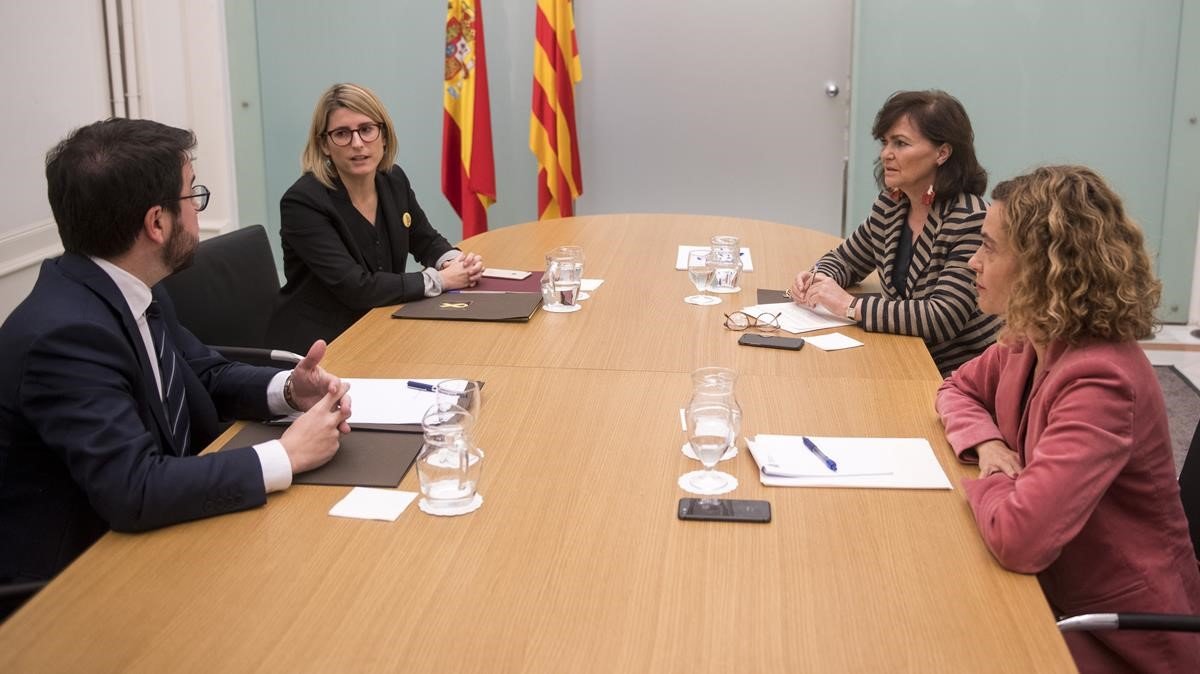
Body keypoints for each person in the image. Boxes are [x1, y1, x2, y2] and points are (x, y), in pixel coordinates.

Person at [0, 118, 353, 597]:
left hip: (167, 529)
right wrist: (287, 453)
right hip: (77, 583)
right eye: (193, 196)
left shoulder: (128, 283)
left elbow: (200, 372)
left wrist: (289, 389)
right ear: (157, 222)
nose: (197, 212)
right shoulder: (66, 337)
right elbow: (134, 487)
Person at [937, 165, 1200, 671]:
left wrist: (991, 479)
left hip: (1116, 632)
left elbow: (1021, 540)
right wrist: (988, 444)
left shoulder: (1101, 378)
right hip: (1050, 590)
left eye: (990, 248)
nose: (973, 262)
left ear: (1041, 266)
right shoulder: (1028, 338)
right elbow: (955, 388)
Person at [789, 90, 1001, 376]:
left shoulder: (969, 219)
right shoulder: (893, 204)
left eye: (900, 143)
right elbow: (847, 259)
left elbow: (942, 317)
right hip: (903, 356)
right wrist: (818, 278)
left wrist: (850, 306)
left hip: (956, 374)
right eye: (885, 142)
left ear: (943, 153)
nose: (886, 153)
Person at [266, 83, 485, 352]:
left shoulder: (392, 179)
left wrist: (455, 262)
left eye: (366, 130)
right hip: (323, 346)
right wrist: (441, 280)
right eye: (342, 134)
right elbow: (356, 288)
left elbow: (425, 239)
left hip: (381, 324)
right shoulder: (303, 202)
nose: (357, 144)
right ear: (324, 144)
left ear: (383, 135)